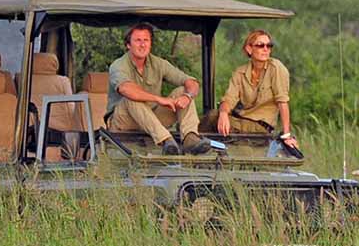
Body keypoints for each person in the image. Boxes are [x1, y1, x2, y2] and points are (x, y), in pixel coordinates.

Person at [107, 23, 211, 155]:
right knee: (131, 97)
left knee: (182, 91)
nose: (142, 45)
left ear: (150, 44)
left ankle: (190, 138)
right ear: (128, 45)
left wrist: (187, 96)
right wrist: (159, 99)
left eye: (146, 40)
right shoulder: (118, 65)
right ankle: (166, 140)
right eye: (137, 40)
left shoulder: (158, 63)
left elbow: (191, 82)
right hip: (125, 122)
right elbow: (126, 89)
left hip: (152, 118)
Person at [217, 30, 297, 149]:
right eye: (260, 45)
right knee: (214, 116)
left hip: (261, 127)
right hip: (242, 120)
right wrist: (223, 113)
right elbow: (229, 99)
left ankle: (197, 145)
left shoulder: (276, 68)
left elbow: (282, 101)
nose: (266, 49)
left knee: (213, 119)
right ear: (249, 49)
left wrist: (286, 135)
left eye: (269, 46)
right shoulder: (240, 72)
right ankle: (196, 149)